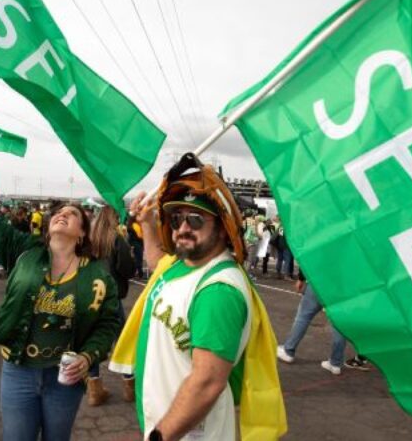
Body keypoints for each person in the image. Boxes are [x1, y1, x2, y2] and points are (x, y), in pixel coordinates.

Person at [0, 152, 121, 441]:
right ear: (48, 226)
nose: (63, 214)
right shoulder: (23, 251)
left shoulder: (97, 276)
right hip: (18, 370)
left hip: (65, 377)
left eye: (73, 215)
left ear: (82, 234)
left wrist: (88, 357)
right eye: (58, 212)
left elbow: (108, 324)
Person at [110, 153, 286, 440]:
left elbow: (207, 382)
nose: (182, 228)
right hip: (167, 421)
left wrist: (160, 436)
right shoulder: (183, 264)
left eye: (195, 219)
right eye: (177, 219)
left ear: (222, 227)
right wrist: (151, 225)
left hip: (186, 432)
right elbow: (157, 266)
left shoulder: (218, 290)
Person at [88, 205, 136, 405]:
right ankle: (129, 387)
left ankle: (94, 390)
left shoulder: (88, 239)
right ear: (113, 219)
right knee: (122, 339)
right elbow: (127, 268)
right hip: (111, 295)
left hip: (90, 296)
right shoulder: (116, 239)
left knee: (92, 340)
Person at [276, 273, 348, 375]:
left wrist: (301, 278)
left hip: (320, 278)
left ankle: (288, 350)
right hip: (343, 285)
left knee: (304, 316)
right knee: (339, 323)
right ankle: (335, 362)